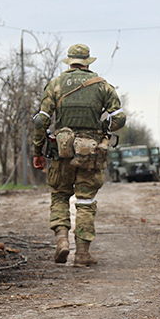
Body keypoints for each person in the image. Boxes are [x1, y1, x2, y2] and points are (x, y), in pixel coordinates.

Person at [33, 44, 126, 266]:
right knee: (86, 201)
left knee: (59, 195)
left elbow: (41, 121)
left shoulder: (55, 85)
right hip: (90, 154)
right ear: (87, 62)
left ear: (69, 61)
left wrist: (37, 151)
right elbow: (119, 117)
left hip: (61, 153)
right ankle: (82, 254)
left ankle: (62, 240)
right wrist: (104, 127)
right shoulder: (102, 86)